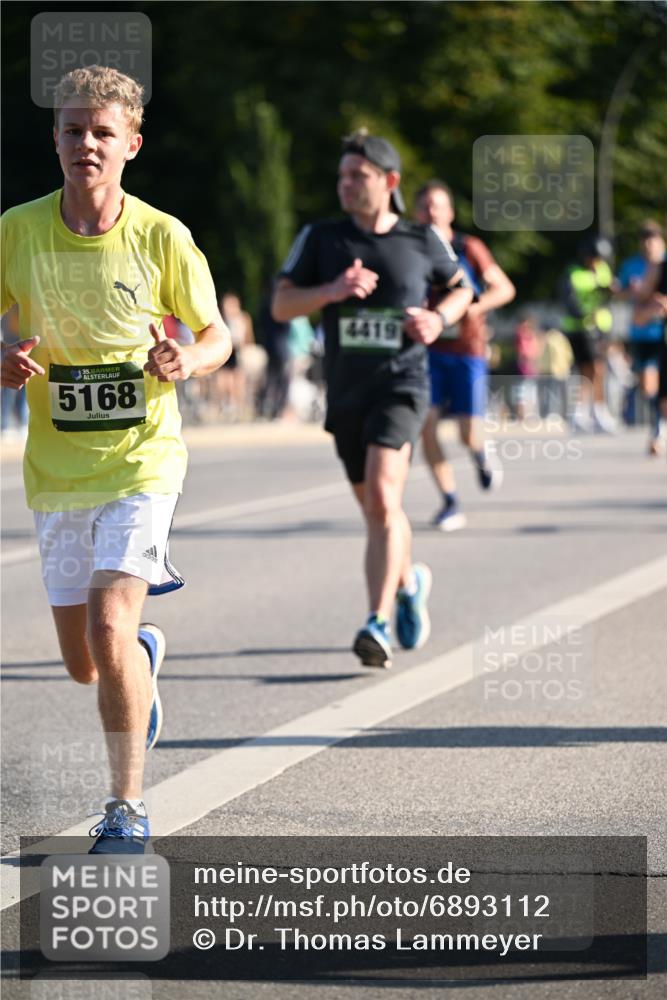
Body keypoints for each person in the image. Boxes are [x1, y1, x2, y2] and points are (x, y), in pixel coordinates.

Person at [0, 66, 230, 853]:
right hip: (57, 473)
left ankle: (125, 810)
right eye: (72, 130)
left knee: (106, 621)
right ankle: (141, 657)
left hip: (142, 460)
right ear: (54, 138)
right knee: (84, 664)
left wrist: (187, 363)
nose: (85, 145)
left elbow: (220, 335)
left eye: (102, 133)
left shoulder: (162, 235)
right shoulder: (18, 229)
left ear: (130, 143)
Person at [272, 130, 473, 667]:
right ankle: (409, 584)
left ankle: (376, 622)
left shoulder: (421, 239)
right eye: (341, 177)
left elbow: (463, 288)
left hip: (402, 385)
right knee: (376, 511)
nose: (345, 185)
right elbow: (281, 305)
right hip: (346, 394)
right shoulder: (321, 238)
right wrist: (331, 292)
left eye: (357, 176)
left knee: (386, 500)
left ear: (389, 181)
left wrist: (439, 317)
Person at [414, 180, 515, 532]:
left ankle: (481, 453)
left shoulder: (468, 247)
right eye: (425, 206)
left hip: (467, 351)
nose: (431, 212)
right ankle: (450, 500)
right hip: (429, 350)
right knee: (424, 426)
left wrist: (474, 307)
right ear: (416, 212)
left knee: (467, 433)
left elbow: (504, 288)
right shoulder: (411, 248)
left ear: (450, 212)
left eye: (438, 206)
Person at [615, 220, 666, 455]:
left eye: (652, 239)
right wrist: (631, 293)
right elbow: (624, 296)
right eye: (644, 240)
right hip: (644, 334)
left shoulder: (662, 264)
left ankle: (658, 427)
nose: (648, 245)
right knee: (649, 385)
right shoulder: (632, 265)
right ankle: (657, 426)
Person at [559, 235, 616, 433]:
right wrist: (585, 313)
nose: (597, 262)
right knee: (589, 369)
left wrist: (610, 290)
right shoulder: (573, 273)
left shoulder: (602, 270)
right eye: (595, 258)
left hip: (600, 327)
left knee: (597, 370)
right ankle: (587, 411)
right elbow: (569, 302)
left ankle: (592, 411)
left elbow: (606, 295)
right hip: (580, 328)